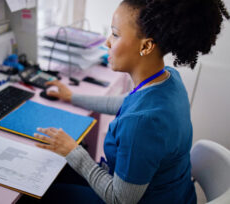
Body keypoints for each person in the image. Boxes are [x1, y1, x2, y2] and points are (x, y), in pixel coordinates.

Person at [33, 0, 230, 203]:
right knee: (55, 170)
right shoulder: (168, 79)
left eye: (116, 34)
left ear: (146, 46)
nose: (107, 42)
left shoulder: (142, 123)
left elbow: (120, 199)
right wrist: (72, 97)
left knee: (41, 192)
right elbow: (127, 102)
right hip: (176, 194)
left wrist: (73, 151)